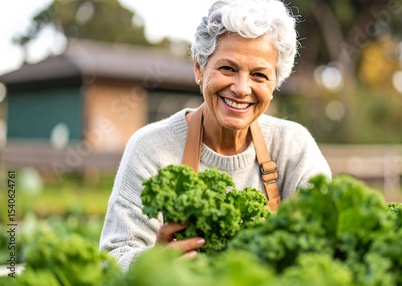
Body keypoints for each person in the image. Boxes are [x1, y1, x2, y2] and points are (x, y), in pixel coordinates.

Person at [99, 0, 332, 271]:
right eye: (228, 69)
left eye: (259, 75)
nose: (242, 88)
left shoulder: (294, 147)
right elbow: (111, 262)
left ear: (275, 82)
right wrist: (152, 263)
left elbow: (324, 249)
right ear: (199, 68)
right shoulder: (151, 147)